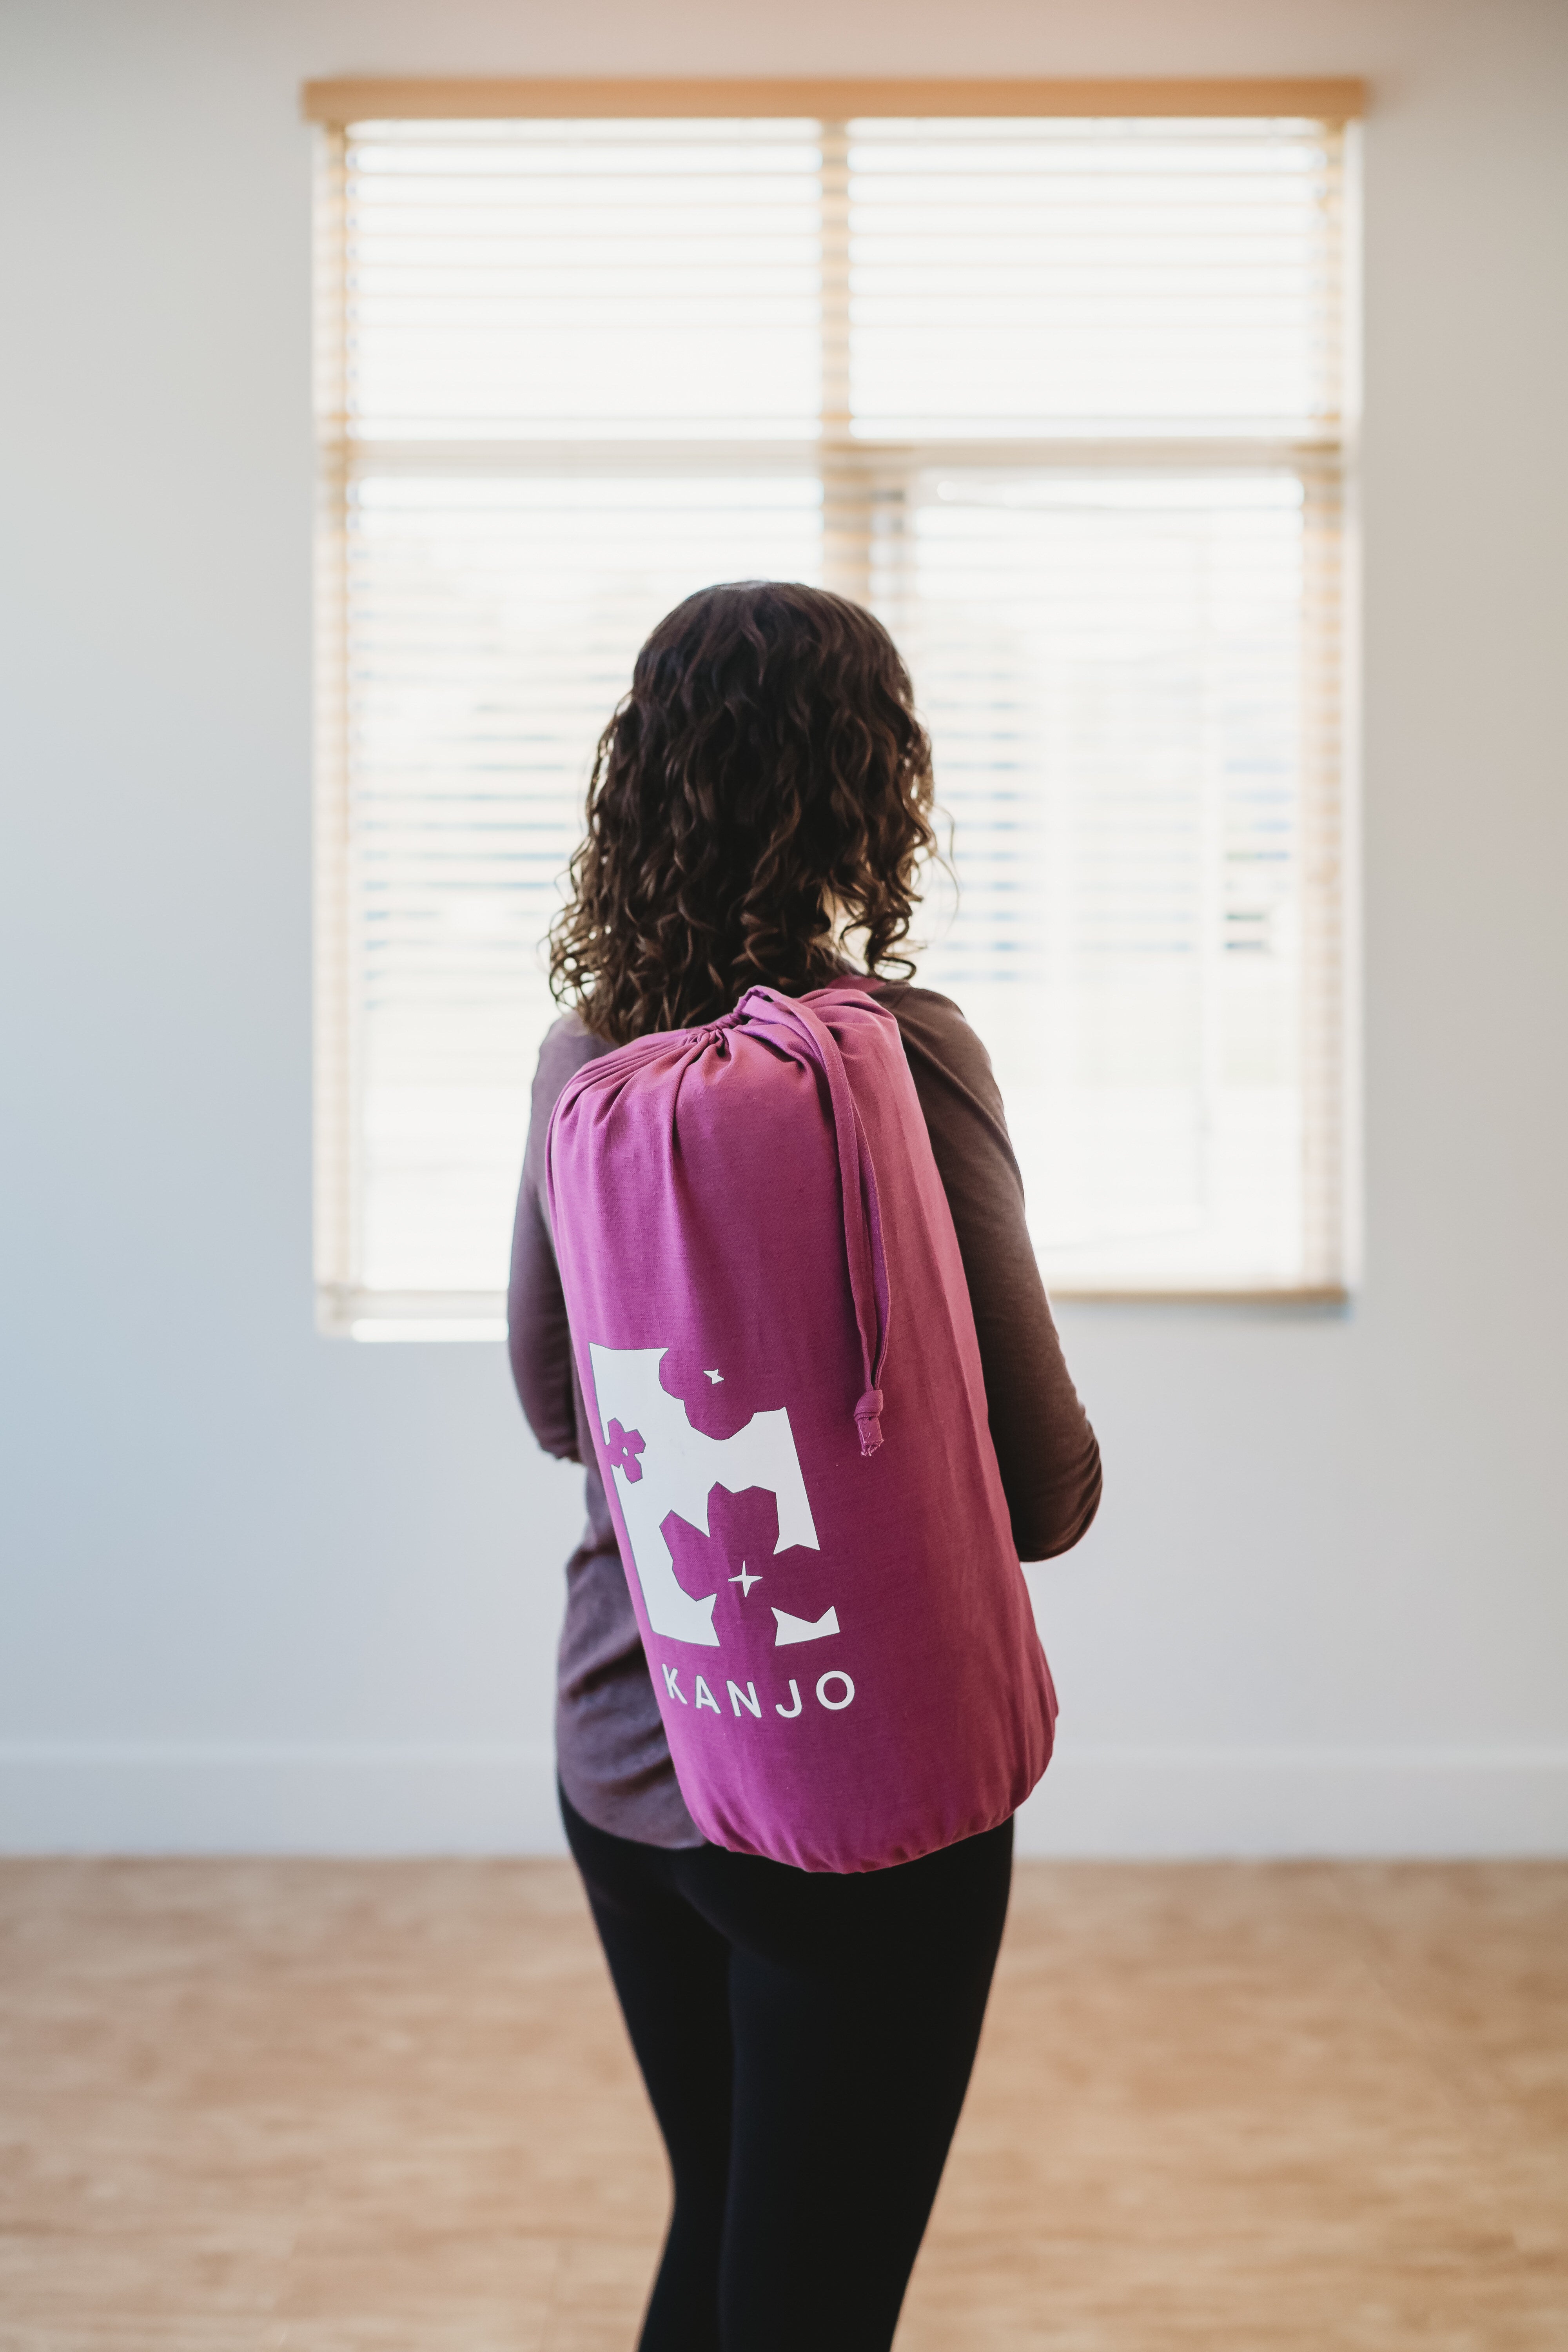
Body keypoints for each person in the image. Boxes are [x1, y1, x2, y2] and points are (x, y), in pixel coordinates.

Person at [508, 581, 1101, 2352]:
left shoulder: (584, 1058)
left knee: (730, 2232)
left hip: (630, 1743)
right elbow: (1048, 1489)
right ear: (874, 788)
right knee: (816, 2299)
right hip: (859, 1794)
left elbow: (559, 1409)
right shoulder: (904, 1058)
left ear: (639, 780)